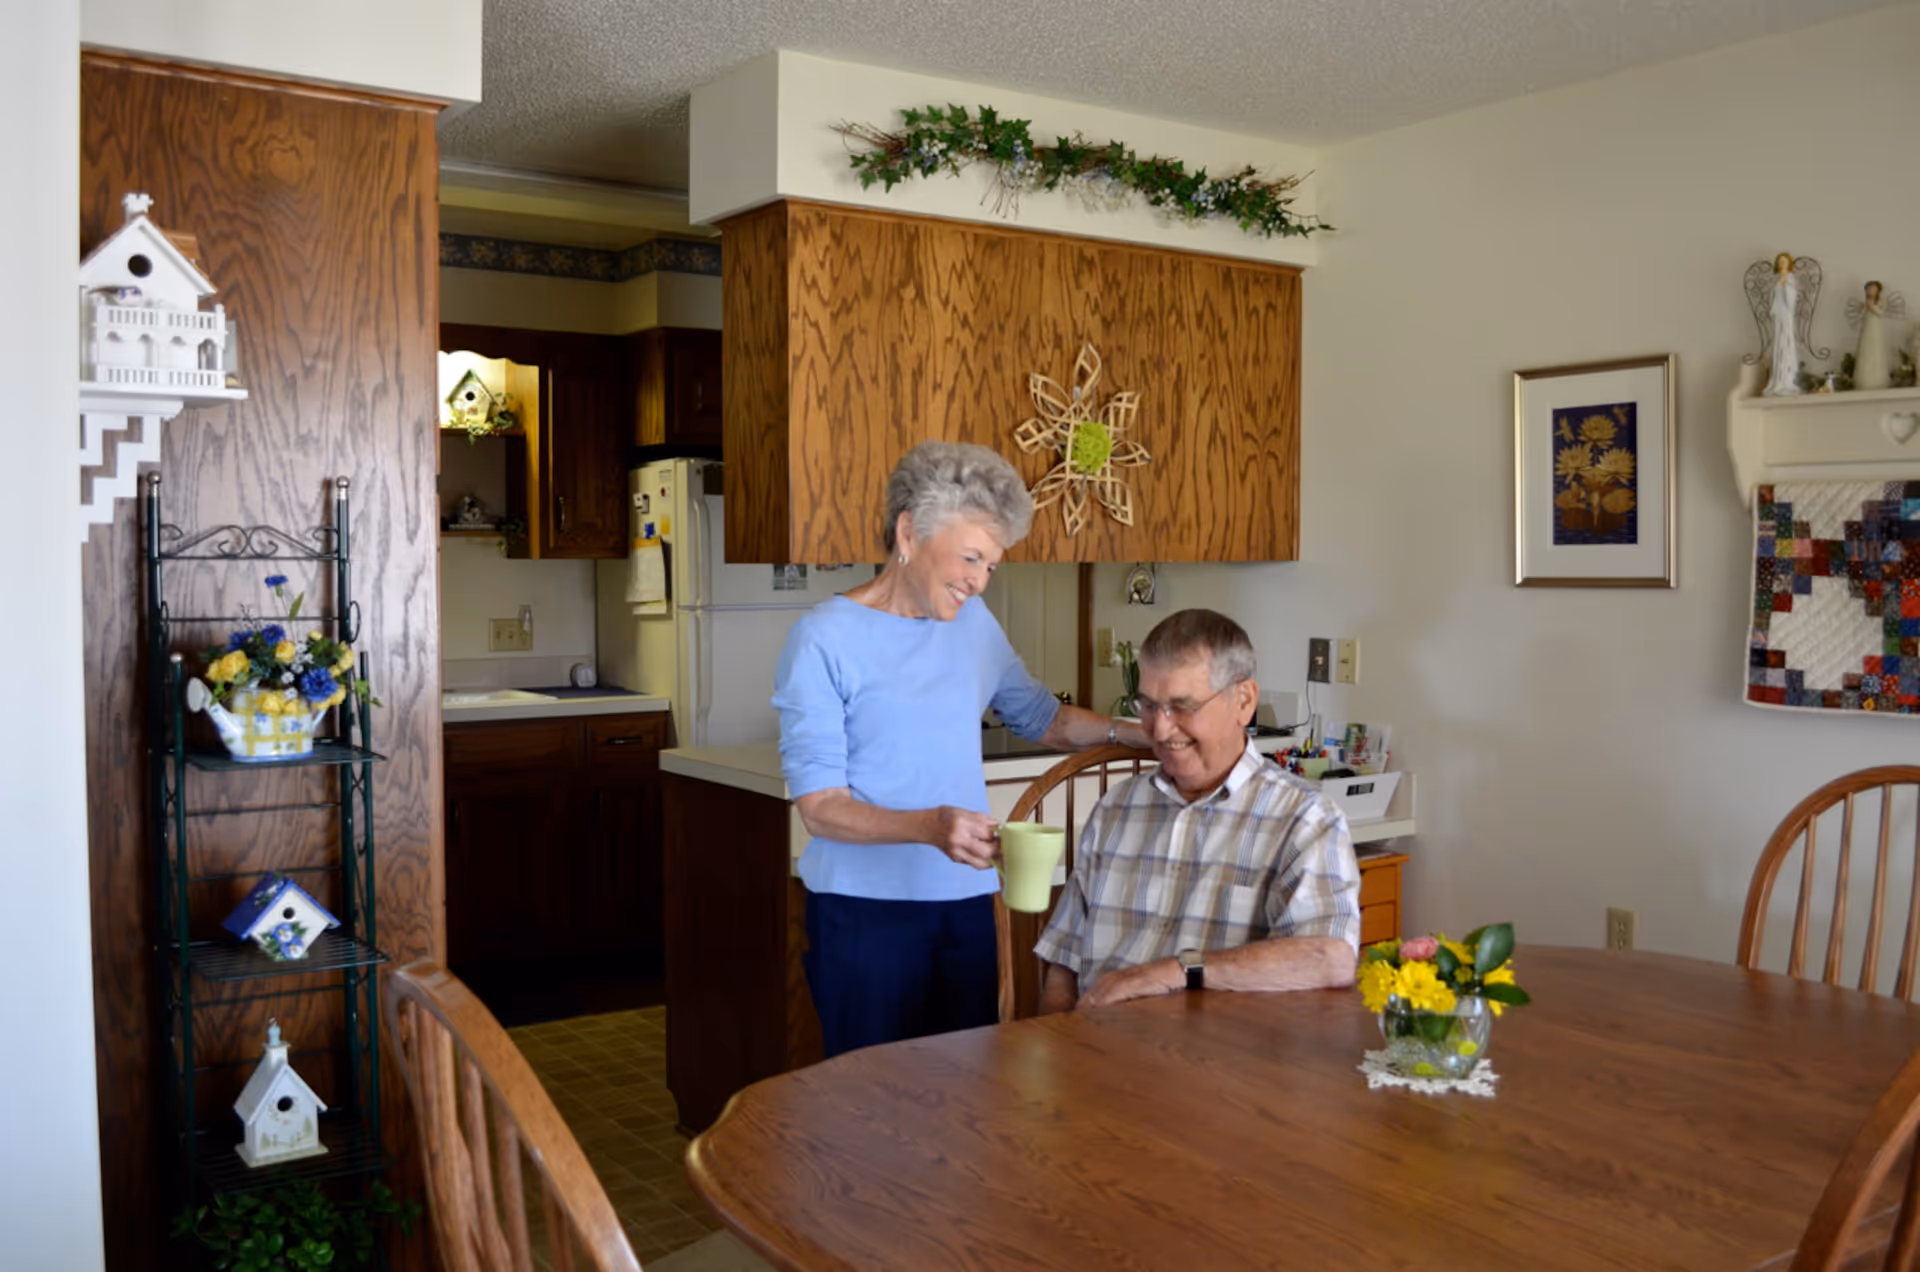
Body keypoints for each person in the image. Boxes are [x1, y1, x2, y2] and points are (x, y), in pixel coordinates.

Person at [773, 440, 1149, 1057]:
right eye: (971, 557)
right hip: (865, 913)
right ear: (909, 533)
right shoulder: (822, 639)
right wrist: (930, 827)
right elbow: (820, 808)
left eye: (992, 566)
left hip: (967, 905)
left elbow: (1041, 717)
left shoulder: (973, 624)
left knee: (966, 1101)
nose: (979, 581)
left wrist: (1137, 732)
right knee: (871, 1107)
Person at [1035, 609, 1360, 1012]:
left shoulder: (1304, 819)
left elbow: (1329, 959)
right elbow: (1062, 964)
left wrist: (1175, 971)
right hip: (1095, 1052)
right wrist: (1056, 1049)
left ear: (1244, 702)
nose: (1160, 730)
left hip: (1212, 1063)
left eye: (1183, 707)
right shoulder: (1116, 809)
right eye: (1149, 706)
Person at [1764, 252, 1801, 397]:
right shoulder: (1776, 279)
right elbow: (1772, 297)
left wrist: (1786, 286)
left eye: (1784, 261)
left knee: (1785, 342)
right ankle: (1777, 378)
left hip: (1786, 315)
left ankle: (1787, 379)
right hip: (1778, 315)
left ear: (1789, 263)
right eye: (1780, 261)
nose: (1782, 264)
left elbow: (1791, 298)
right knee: (1778, 342)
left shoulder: (1790, 278)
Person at [1855, 280, 1891, 391]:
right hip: (1867, 331)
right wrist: (1865, 307)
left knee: (1876, 352)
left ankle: (1878, 380)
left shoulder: (1882, 302)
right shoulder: (1865, 303)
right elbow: (1860, 317)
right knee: (1865, 352)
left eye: (1873, 289)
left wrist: (1872, 307)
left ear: (1878, 291)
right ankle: (1864, 381)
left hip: (1876, 332)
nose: (1871, 291)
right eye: (1869, 289)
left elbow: (1881, 313)